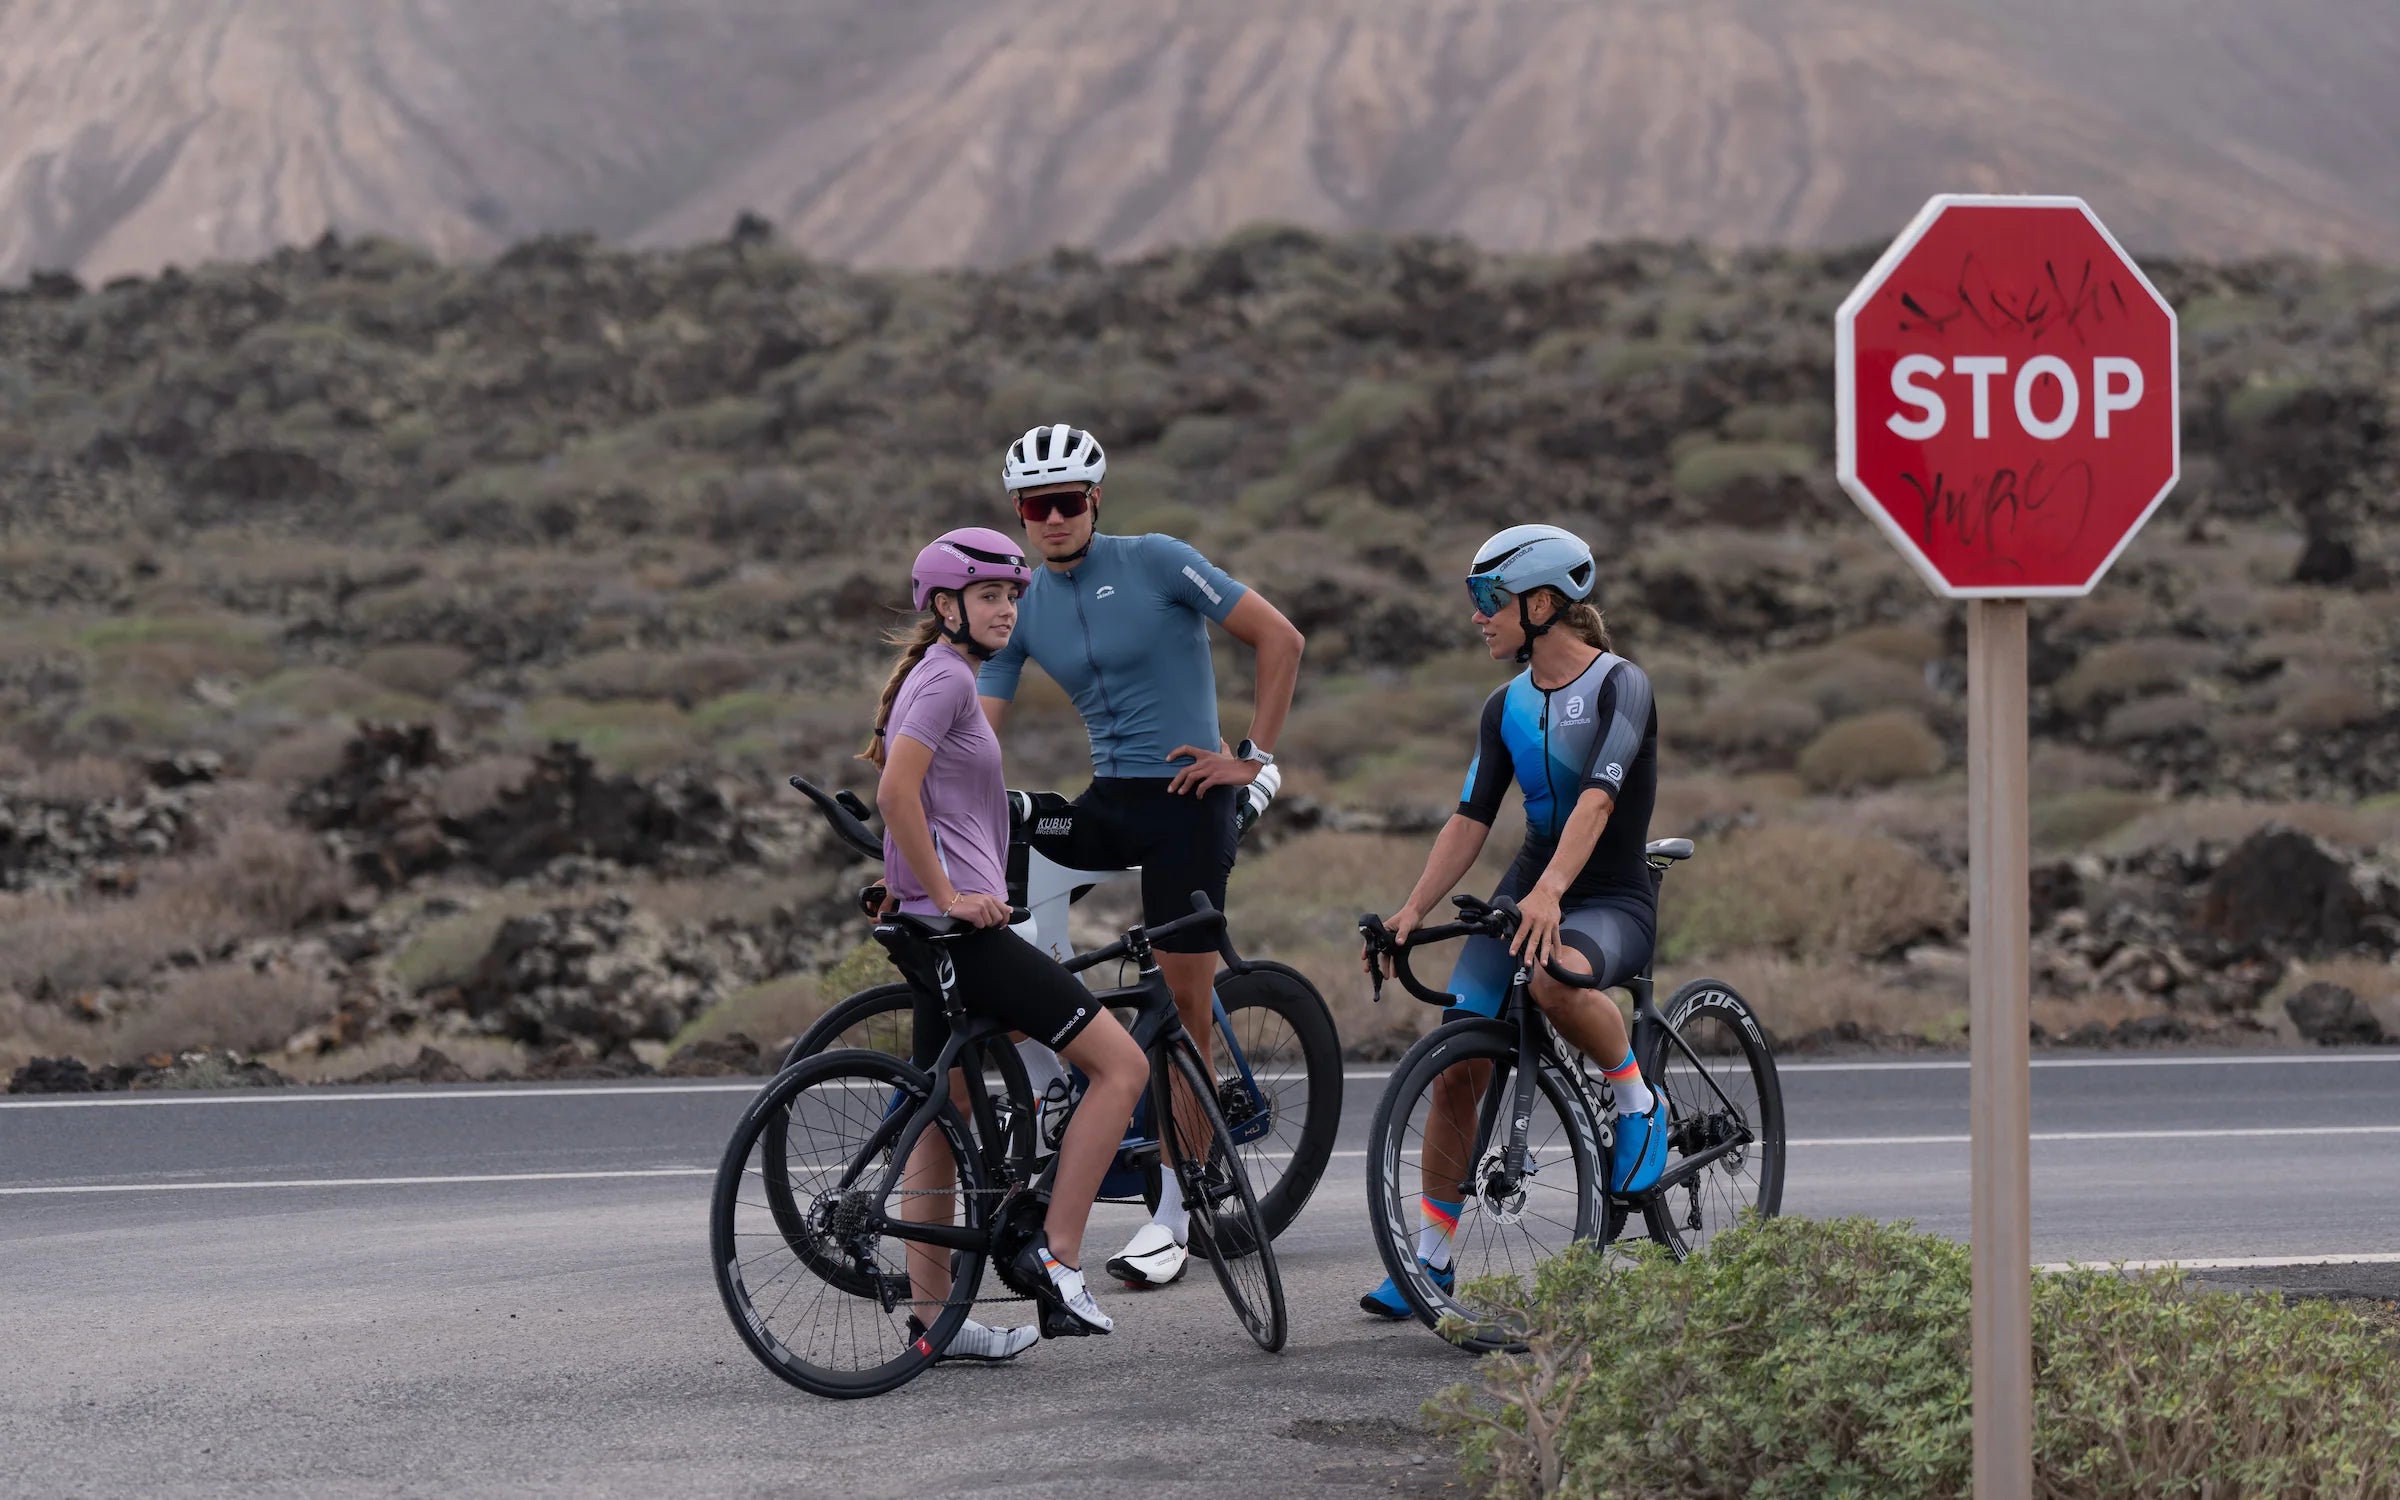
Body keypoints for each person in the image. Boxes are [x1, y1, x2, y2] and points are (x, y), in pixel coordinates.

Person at [975, 423, 1306, 1289]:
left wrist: (1252, 758)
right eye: (1034, 507)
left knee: (1183, 1006)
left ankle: (1175, 1212)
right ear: (1019, 513)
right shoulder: (1023, 605)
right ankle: (1058, 1074)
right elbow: (978, 727)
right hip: (1110, 801)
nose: (1052, 519)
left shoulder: (1157, 560)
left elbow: (1281, 639)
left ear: (1095, 501)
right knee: (1001, 924)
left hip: (1190, 803)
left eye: (1066, 502)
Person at [1355, 523, 1666, 1318]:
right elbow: (1471, 818)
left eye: (1488, 598)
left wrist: (1554, 891)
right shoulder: (1506, 706)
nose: (1477, 616)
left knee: (1557, 982)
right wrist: (1412, 910)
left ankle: (1638, 1102)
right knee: (1457, 1063)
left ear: (1543, 603)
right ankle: (1430, 1261)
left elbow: (1598, 801)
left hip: (1610, 894)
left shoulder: (1621, 685)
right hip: (1530, 885)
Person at [868, 526, 1151, 1353]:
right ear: (945, 605)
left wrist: (908, 884)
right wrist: (949, 893)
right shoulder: (947, 681)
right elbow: (896, 794)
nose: (1005, 609)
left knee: (943, 1113)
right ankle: (1058, 1259)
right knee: (1122, 1066)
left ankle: (933, 1322)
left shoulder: (936, 674)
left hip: (931, 930)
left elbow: (920, 798)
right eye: (989, 595)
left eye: (1012, 596)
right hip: (965, 935)